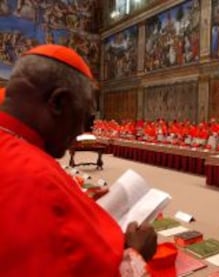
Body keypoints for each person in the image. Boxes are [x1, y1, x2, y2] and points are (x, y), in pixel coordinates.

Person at [0, 45, 157, 276]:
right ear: (58, 103)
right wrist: (136, 253)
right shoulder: (38, 180)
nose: (82, 130)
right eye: (85, 116)